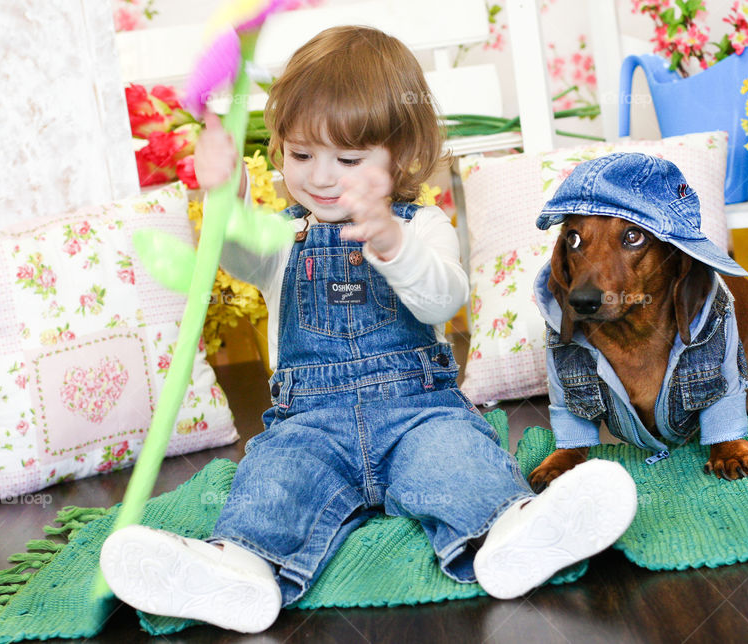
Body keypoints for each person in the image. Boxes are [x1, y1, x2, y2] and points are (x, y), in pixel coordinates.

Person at [100, 25, 637, 633]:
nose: (323, 178)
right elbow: (238, 256)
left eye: (349, 160)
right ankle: (239, 571)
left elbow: (443, 299)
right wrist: (228, 196)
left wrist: (393, 244)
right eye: (302, 155)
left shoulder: (420, 224)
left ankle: (514, 534)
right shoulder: (286, 233)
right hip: (310, 423)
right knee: (275, 482)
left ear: (399, 158)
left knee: (458, 463)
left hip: (417, 411)